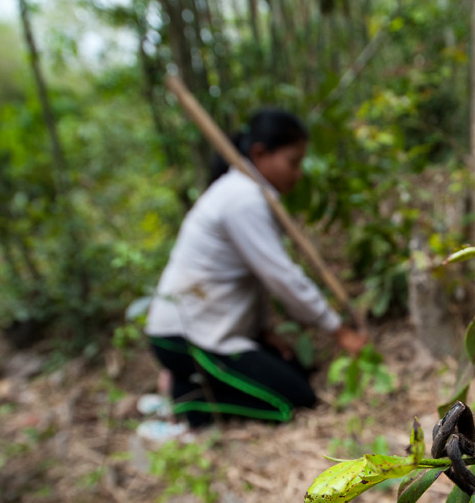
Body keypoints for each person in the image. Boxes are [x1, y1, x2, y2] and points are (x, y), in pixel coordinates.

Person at [143, 108, 367, 434]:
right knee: (290, 402)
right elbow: (281, 277)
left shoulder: (246, 193)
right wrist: (337, 329)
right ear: (260, 154)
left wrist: (262, 332)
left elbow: (253, 278)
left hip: (214, 330)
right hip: (186, 336)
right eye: (293, 162)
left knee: (294, 369)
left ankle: (188, 382)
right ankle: (188, 401)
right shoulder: (241, 198)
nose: (298, 173)